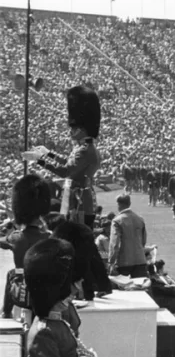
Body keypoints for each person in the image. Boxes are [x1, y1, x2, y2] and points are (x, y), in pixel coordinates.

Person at [25, 238, 155, 357]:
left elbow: (75, 354)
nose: (72, 294)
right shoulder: (43, 331)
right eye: (65, 292)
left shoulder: (56, 322)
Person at [26, 85, 102, 227]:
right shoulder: (83, 147)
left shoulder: (84, 150)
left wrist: (39, 160)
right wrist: (47, 153)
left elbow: (65, 171)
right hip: (73, 194)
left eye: (74, 129)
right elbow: (69, 162)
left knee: (73, 233)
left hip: (77, 199)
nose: (71, 132)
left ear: (82, 129)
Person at [2, 174, 51, 318]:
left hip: (23, 292)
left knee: (11, 274)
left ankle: (6, 312)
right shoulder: (49, 236)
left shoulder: (16, 237)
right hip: (46, 289)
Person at [108, 194, 148, 278]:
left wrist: (111, 262)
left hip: (124, 262)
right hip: (140, 260)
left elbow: (114, 244)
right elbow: (143, 241)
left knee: (125, 289)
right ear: (129, 203)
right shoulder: (139, 219)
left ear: (119, 205)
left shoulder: (117, 221)